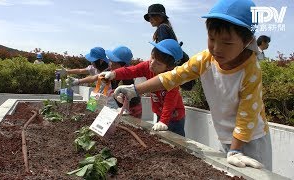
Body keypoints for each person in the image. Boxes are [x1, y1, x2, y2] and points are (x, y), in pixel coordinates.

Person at [113, 0, 272, 170]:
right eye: (211, 39)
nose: (217, 48)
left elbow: (246, 115)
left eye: (227, 43)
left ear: (247, 40)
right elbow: (173, 76)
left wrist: (235, 149)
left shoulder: (251, 70)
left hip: (250, 139)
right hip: (225, 136)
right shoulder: (206, 59)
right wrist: (135, 90)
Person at [100, 39, 186, 137]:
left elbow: (170, 102)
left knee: (176, 140)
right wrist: (114, 74)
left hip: (174, 116)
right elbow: (132, 70)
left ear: (169, 68)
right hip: (159, 113)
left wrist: (164, 121)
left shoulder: (172, 78)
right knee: (161, 137)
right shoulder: (147, 66)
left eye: (158, 63)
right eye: (152, 58)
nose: (152, 63)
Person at [69, 46, 142, 118]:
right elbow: (95, 77)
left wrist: (125, 108)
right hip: (117, 105)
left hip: (131, 109)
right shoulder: (110, 72)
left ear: (120, 64)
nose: (109, 63)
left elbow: (128, 96)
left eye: (111, 61)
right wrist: (78, 81)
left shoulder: (127, 78)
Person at [145, 3, 195, 91]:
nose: (150, 19)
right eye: (149, 17)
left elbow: (163, 52)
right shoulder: (166, 27)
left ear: (161, 17)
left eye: (153, 15)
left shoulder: (162, 28)